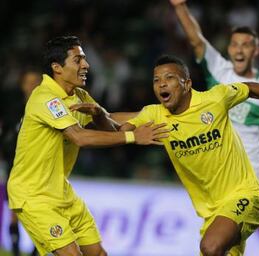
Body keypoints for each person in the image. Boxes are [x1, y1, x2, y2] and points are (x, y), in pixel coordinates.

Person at [120, 55, 259, 256]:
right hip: (214, 216)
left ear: (187, 84)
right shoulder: (155, 114)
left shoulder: (214, 99)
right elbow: (120, 130)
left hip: (247, 196)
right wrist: (99, 116)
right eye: (156, 80)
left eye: (169, 77)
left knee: (210, 246)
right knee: (212, 248)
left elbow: (250, 88)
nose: (162, 83)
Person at [7, 36, 169, 256]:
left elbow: (112, 124)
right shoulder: (46, 98)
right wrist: (133, 137)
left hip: (62, 192)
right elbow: (79, 137)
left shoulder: (78, 95)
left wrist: (156, 114)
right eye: (78, 60)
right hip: (35, 196)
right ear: (57, 68)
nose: (86, 65)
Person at [169, 0, 259, 220]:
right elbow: (196, 40)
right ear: (229, 48)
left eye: (246, 44)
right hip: (214, 173)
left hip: (247, 175)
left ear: (256, 50)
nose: (239, 49)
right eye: (235, 44)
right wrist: (180, 7)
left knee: (223, 242)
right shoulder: (219, 70)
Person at [0, 68, 42, 256]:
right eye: (28, 82)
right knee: (15, 212)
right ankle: (16, 250)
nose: (31, 86)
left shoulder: (47, 110)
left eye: (35, 82)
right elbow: (5, 137)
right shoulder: (13, 111)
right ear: (22, 85)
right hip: (15, 167)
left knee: (39, 213)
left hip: (39, 169)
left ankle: (35, 250)